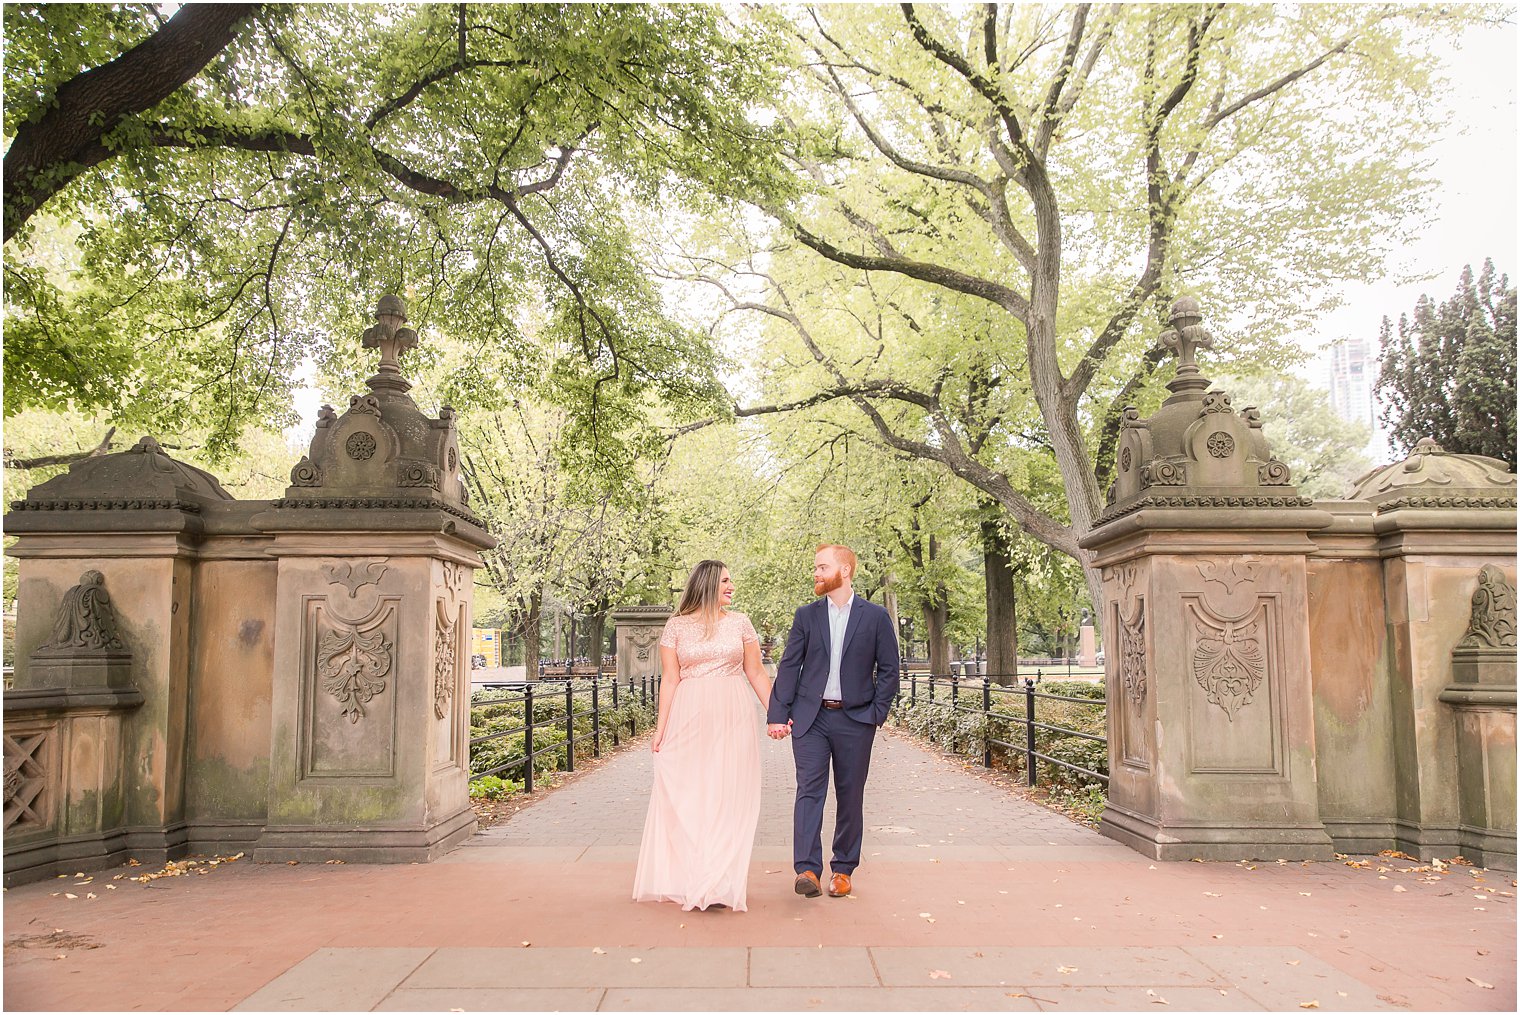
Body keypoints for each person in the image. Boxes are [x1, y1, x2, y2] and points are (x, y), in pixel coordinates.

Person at [632, 559, 774, 912]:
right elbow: (670, 678)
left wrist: (778, 713)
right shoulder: (676, 626)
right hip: (689, 715)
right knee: (692, 793)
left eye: (731, 581)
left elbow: (755, 672)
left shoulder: (740, 623)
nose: (731, 586)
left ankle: (719, 881)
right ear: (708, 583)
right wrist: (660, 729)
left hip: (733, 713)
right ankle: (692, 874)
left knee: (728, 793)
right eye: (725, 581)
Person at [767, 544, 901, 899]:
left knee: (850, 794)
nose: (816, 573)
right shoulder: (806, 616)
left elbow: (889, 670)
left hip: (856, 720)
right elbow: (789, 666)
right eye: (816, 567)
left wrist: (876, 714)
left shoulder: (874, 617)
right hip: (810, 719)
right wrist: (778, 714)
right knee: (809, 792)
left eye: (822, 567)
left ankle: (843, 869)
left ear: (845, 569)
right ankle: (807, 869)